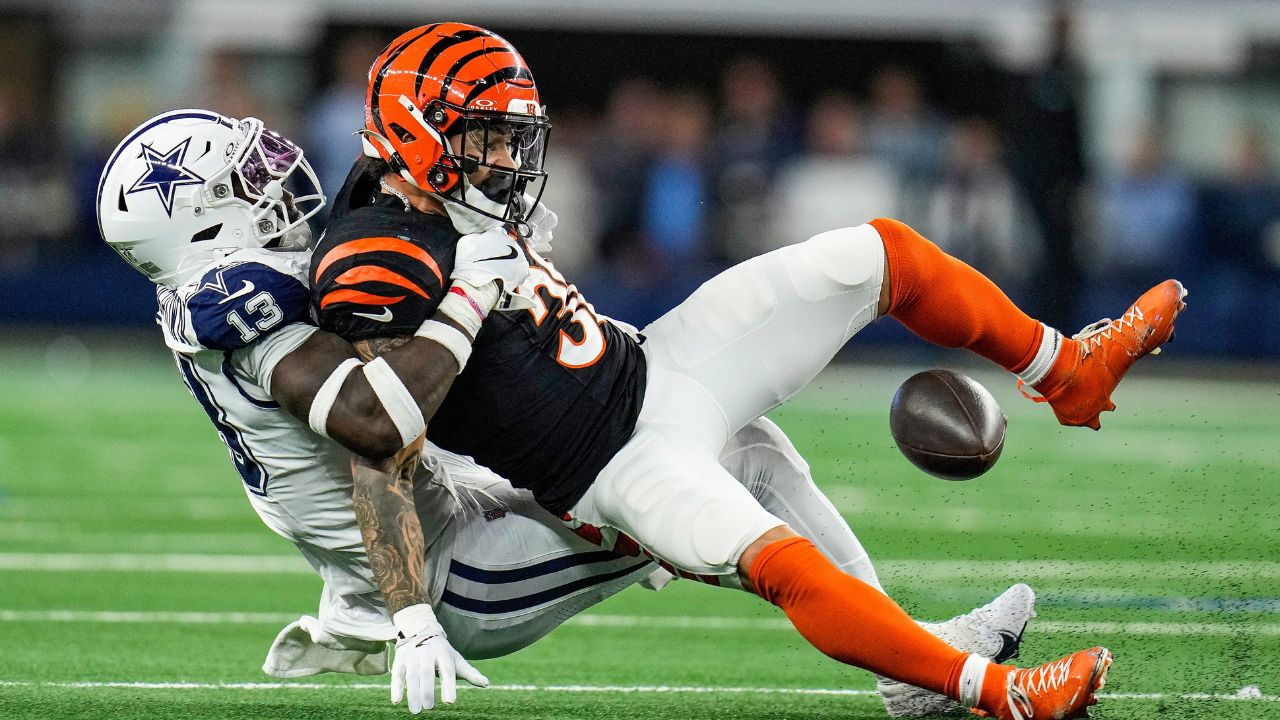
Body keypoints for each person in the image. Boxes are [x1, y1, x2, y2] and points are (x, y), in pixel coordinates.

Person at [318, 22, 1188, 719]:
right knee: (781, 558)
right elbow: (379, 435)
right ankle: (992, 694)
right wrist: (408, 614)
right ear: (418, 136)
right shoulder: (376, 257)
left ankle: (1066, 368)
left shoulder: (438, 193)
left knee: (876, 255)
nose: (509, 161)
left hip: (653, 363)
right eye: (487, 140)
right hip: (610, 468)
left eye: (513, 139)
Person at [95, 109, 1034, 717]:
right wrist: (410, 614)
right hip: (460, 574)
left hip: (450, 503)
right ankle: (917, 676)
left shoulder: (248, 280)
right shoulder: (240, 306)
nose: (284, 177)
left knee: (742, 439)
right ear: (204, 225)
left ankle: (908, 665)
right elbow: (374, 437)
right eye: (251, 179)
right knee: (714, 467)